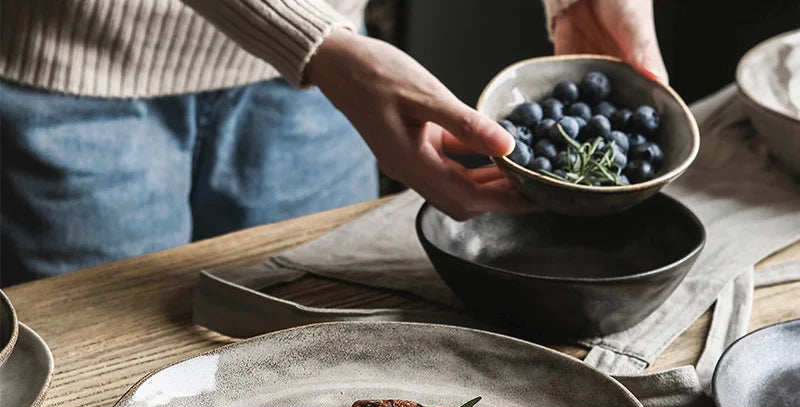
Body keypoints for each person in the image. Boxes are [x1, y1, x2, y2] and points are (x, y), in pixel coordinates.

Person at [0, 0, 666, 286]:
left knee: (324, 348)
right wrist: (310, 41)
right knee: (93, 387)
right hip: (74, 73)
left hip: (320, 84)